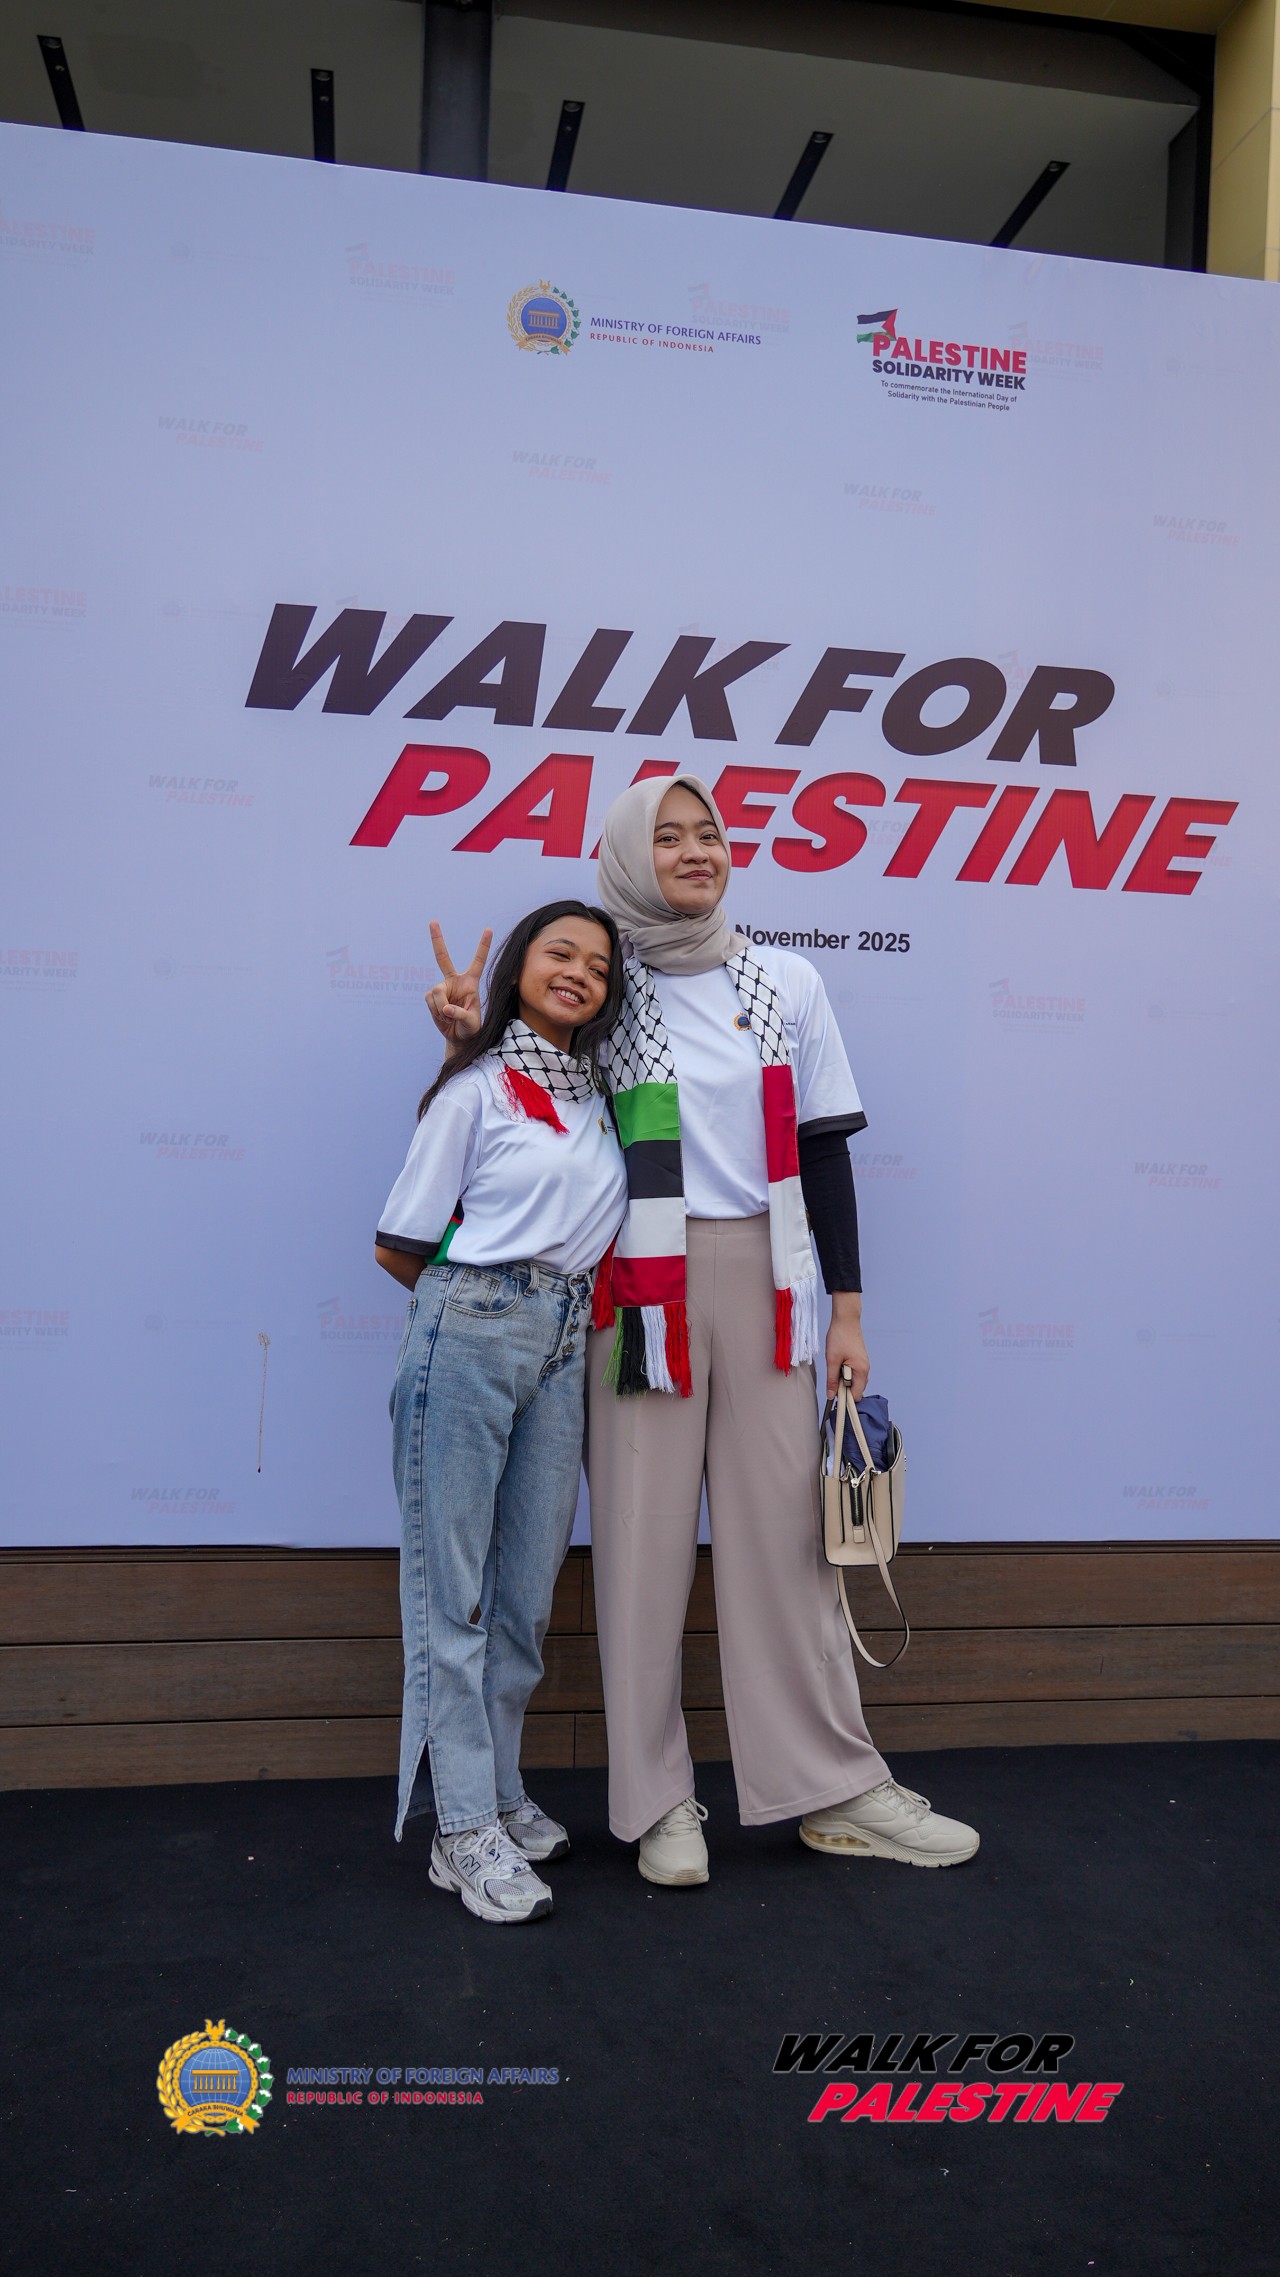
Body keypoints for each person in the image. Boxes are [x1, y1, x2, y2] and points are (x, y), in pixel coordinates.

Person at [425, 781, 979, 1885]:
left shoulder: (786, 980)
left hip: (771, 1283)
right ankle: (657, 1803)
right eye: (667, 837)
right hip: (638, 1288)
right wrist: (463, 1040)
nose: (694, 851)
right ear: (628, 858)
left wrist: (849, 1309)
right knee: (640, 1548)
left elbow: (822, 1146)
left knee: (785, 1544)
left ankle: (832, 1786)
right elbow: (517, 1107)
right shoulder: (602, 988)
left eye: (709, 833)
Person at [375, 901, 626, 1924]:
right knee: (453, 1597)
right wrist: (480, 1310)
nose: (578, 973)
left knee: (523, 1597)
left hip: (566, 1341)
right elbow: (401, 1244)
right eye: (560, 953)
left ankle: (497, 1786)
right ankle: (462, 1827)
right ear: (520, 965)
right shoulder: (474, 1089)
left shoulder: (599, 1098)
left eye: (598, 966)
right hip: (473, 1327)